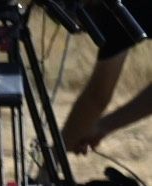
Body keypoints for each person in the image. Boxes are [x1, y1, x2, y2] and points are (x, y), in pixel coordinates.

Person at [61, 0, 152, 153]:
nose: (82, 31)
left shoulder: (119, 14)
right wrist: (103, 125)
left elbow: (96, 97)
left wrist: (56, 153)